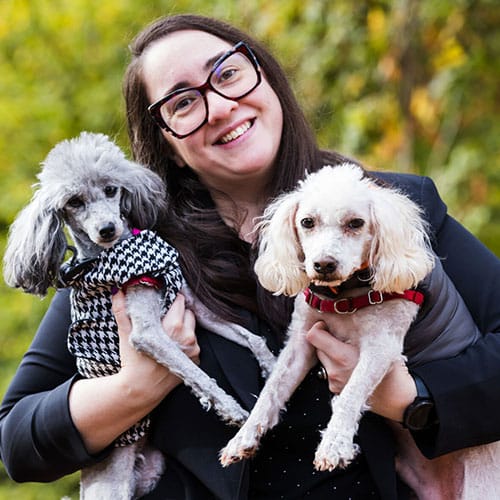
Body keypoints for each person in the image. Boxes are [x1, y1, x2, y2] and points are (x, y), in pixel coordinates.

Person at [1, 13, 500, 499]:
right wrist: (136, 386)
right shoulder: (136, 254)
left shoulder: (390, 209)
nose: (218, 106)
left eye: (229, 73)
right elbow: (17, 440)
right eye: (182, 103)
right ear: (168, 146)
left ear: (268, 81)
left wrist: (413, 400)